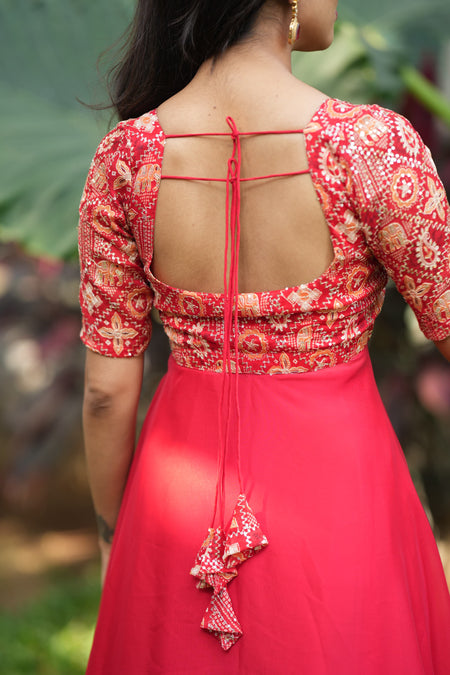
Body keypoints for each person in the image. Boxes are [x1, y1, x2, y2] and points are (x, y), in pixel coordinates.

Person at [78, 0, 450, 672]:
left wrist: (113, 532)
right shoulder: (370, 149)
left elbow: (106, 392)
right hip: (340, 498)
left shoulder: (126, 159)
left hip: (175, 512)